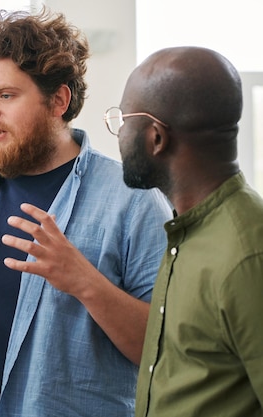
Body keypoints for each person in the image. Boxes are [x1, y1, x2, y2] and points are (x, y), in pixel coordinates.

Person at [0, 7, 173, 417]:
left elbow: (165, 351)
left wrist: (85, 282)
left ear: (58, 100)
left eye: (6, 95)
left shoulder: (132, 201)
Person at [105, 46, 263, 417]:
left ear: (156, 138)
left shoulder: (246, 255)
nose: (119, 132)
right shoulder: (187, 233)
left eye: (124, 119)